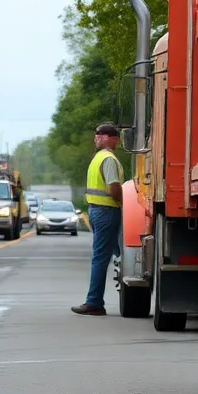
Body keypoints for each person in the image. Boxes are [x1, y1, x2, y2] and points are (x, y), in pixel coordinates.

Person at [72, 124, 124, 316]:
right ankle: (94, 302)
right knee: (102, 257)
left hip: (97, 211)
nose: (98, 138)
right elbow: (113, 188)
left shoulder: (97, 159)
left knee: (115, 253)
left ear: (113, 139)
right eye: (97, 135)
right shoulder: (109, 159)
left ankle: (98, 300)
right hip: (107, 211)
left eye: (102, 135)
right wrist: (124, 200)